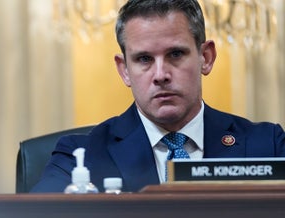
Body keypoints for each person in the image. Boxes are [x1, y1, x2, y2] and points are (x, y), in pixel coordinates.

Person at [31, 0, 285, 193]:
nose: (161, 74)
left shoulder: (268, 145)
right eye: (144, 59)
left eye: (175, 54)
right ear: (124, 70)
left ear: (205, 58)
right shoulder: (80, 155)